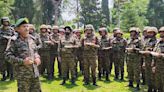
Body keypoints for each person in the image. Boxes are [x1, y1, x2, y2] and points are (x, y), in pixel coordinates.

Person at [5, 18, 41, 92]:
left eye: (27, 26)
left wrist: (37, 57)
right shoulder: (14, 40)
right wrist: (22, 61)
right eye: (24, 26)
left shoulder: (32, 39)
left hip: (35, 73)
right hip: (23, 75)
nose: (27, 28)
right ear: (18, 29)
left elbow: (35, 51)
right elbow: (7, 56)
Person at [140, 27, 157, 92]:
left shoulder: (156, 42)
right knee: (148, 76)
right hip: (147, 60)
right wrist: (144, 62)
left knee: (154, 76)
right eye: (148, 32)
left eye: (151, 32)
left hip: (153, 61)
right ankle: (149, 88)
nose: (149, 34)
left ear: (154, 33)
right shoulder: (147, 41)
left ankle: (154, 89)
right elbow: (144, 50)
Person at [0, 17, 15, 81]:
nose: (6, 23)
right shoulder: (0, 30)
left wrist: (12, 38)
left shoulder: (11, 29)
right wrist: (6, 37)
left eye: (7, 21)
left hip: (10, 47)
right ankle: (4, 76)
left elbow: (15, 35)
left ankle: (12, 76)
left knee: (11, 61)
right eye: (4, 22)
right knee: (2, 62)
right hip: (2, 47)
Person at [151, 26, 164, 92]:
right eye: (161, 32)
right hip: (157, 66)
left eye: (163, 32)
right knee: (158, 83)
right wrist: (153, 65)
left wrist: (161, 55)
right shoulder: (158, 42)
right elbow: (154, 53)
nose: (161, 34)